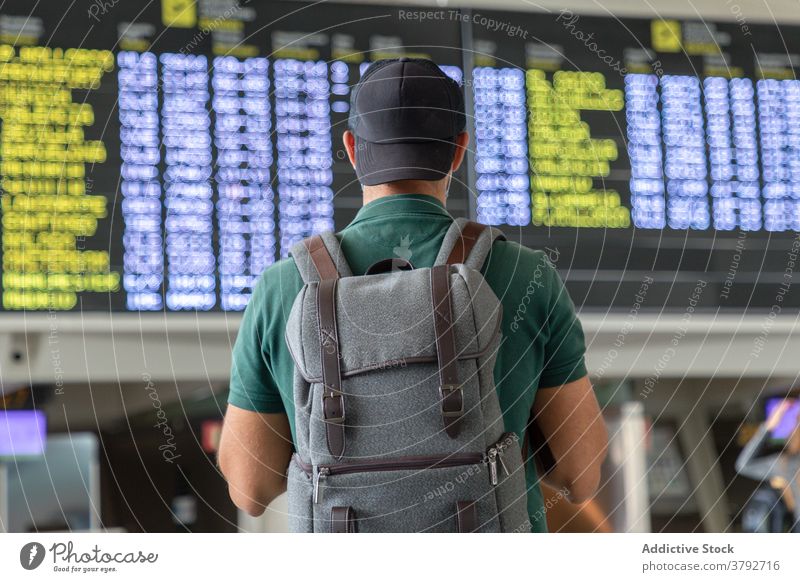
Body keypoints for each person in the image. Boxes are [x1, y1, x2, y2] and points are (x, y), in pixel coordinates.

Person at [218, 57, 608, 532]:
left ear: (352, 150)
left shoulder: (284, 288)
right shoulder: (525, 276)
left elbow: (250, 488)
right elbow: (580, 475)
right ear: (458, 151)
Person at [736, 398, 800, 531]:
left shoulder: (783, 464)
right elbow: (743, 466)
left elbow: (743, 465)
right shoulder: (785, 464)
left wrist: (768, 427)